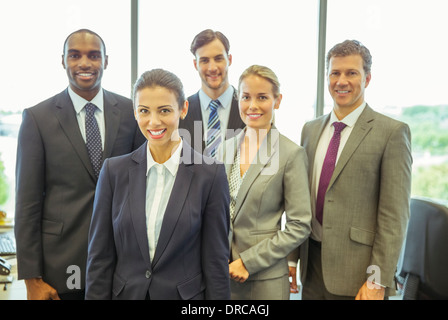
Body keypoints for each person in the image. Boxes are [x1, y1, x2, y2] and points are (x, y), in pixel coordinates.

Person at [14, 29, 145, 300]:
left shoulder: (131, 113)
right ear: (63, 61)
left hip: (121, 265)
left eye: (93, 55)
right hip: (60, 269)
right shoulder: (37, 119)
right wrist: (31, 279)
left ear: (106, 61)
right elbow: (27, 204)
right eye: (75, 55)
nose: (84, 63)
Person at [85, 69, 231, 300]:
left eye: (164, 110)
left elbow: (216, 262)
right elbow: (99, 258)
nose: (153, 121)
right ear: (135, 112)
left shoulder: (210, 175)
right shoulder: (114, 171)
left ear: (183, 109)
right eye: (144, 111)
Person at [293, 40, 412, 300]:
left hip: (358, 274)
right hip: (311, 266)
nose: (341, 81)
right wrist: (292, 259)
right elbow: (299, 200)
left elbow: (394, 216)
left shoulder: (391, 133)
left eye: (351, 73)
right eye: (335, 73)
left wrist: (377, 278)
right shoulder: (310, 130)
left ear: (367, 78)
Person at [220, 65, 311, 300]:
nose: (252, 106)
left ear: (277, 100)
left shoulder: (290, 154)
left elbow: (299, 225)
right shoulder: (224, 148)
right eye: (246, 97)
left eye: (262, 97)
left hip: (264, 281)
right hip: (222, 277)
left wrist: (248, 262)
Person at [179, 29, 245, 157]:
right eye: (204, 60)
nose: (212, 68)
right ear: (195, 64)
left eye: (218, 59)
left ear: (229, 59)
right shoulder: (181, 111)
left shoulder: (248, 107)